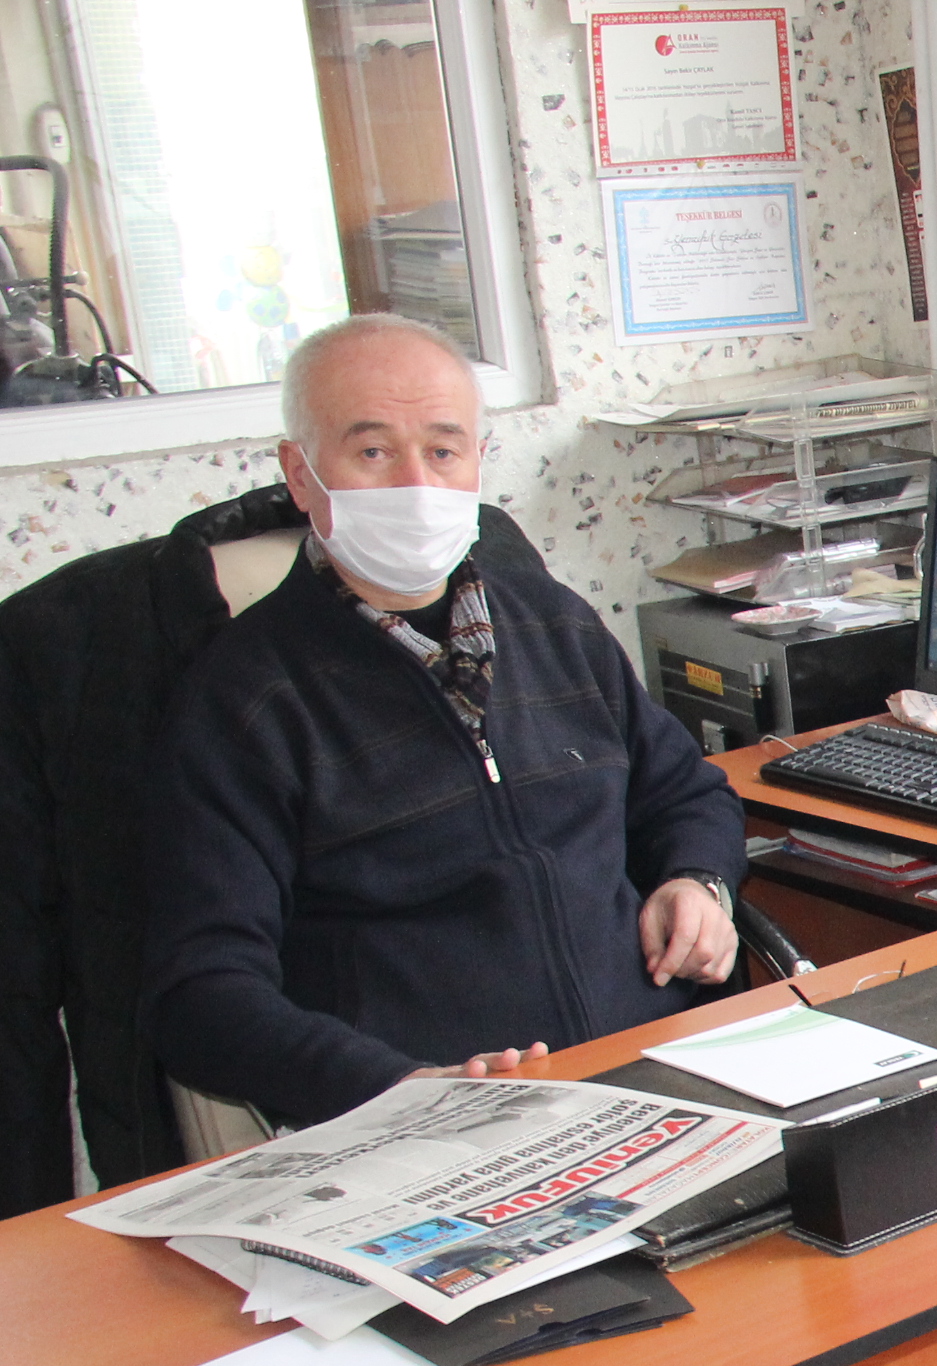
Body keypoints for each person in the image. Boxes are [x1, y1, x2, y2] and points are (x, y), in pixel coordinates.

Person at [143, 313, 747, 1126]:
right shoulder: (246, 699)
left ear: (476, 462)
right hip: (431, 1122)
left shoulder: (552, 623)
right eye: (372, 452)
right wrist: (395, 1089)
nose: (415, 485)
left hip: (652, 1074)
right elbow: (199, 993)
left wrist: (697, 880)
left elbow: (684, 793)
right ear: (300, 472)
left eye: (442, 449)